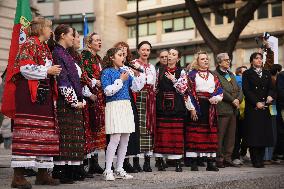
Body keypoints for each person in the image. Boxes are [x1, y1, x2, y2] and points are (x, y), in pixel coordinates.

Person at [3, 17, 62, 188]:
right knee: (28, 131)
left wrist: (50, 72)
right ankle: (18, 176)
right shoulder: (29, 44)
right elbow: (25, 68)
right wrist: (48, 70)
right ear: (40, 29)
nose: (51, 31)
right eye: (49, 28)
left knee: (45, 133)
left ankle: (43, 174)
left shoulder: (44, 47)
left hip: (43, 94)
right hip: (29, 95)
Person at [101, 48, 144, 181]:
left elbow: (136, 88)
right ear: (112, 58)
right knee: (115, 139)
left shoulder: (125, 71)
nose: (123, 58)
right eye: (120, 55)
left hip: (126, 105)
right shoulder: (106, 72)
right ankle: (108, 170)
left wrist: (137, 74)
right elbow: (107, 91)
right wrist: (120, 80)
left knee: (125, 138)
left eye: (123, 55)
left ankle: (119, 168)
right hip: (114, 106)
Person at [51, 24, 86, 183]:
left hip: (73, 100)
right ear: (63, 35)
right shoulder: (58, 53)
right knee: (65, 137)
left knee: (72, 136)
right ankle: (61, 171)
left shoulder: (65, 53)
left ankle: (70, 170)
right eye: (72, 35)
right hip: (65, 101)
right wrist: (73, 101)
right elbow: (63, 80)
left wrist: (80, 99)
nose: (74, 38)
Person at [185, 51, 223, 172]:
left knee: (210, 134)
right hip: (197, 105)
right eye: (202, 59)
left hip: (210, 106)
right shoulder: (191, 75)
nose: (205, 61)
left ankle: (211, 162)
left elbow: (219, 90)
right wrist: (192, 109)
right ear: (197, 61)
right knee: (195, 134)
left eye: (207, 59)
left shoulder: (213, 75)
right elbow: (188, 93)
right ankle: (194, 162)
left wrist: (216, 98)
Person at [114, 41, 145, 173]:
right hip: (115, 99)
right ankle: (111, 163)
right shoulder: (113, 67)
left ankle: (125, 162)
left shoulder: (132, 66)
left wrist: (137, 75)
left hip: (128, 99)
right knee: (116, 131)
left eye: (125, 49)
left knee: (128, 131)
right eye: (120, 50)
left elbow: (136, 87)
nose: (123, 51)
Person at [154, 48, 188, 172]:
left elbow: (183, 89)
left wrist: (174, 79)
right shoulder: (160, 70)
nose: (170, 56)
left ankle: (178, 161)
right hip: (162, 106)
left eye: (173, 54)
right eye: (169, 54)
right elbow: (155, 87)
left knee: (176, 134)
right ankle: (160, 160)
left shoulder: (181, 71)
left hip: (176, 107)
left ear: (178, 59)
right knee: (162, 134)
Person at [79, 32, 106, 175]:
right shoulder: (85, 55)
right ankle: (85, 163)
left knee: (96, 128)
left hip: (98, 96)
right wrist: (92, 89)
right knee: (88, 128)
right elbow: (84, 74)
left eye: (100, 40)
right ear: (89, 43)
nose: (99, 42)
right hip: (89, 96)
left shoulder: (98, 58)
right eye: (96, 40)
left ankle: (94, 163)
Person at [242, 52, 275, 168]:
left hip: (265, 107)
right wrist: (256, 102)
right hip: (253, 107)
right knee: (254, 134)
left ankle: (261, 158)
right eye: (256, 58)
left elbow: (271, 88)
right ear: (252, 61)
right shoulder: (247, 73)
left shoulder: (267, 73)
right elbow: (246, 90)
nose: (259, 60)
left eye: (261, 58)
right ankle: (255, 159)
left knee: (263, 134)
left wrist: (271, 95)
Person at [213, 53, 243, 168]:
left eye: (229, 60)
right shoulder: (215, 74)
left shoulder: (231, 74)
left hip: (233, 109)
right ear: (219, 62)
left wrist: (238, 100)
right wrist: (232, 100)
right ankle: (219, 158)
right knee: (221, 135)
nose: (228, 62)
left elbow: (239, 89)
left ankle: (227, 158)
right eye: (225, 60)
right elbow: (219, 89)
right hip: (223, 109)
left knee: (231, 136)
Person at [132, 41, 156, 172]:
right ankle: (136, 161)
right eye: (143, 49)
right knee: (138, 127)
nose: (145, 52)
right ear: (138, 50)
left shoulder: (152, 67)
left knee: (149, 126)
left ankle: (147, 161)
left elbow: (154, 84)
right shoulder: (134, 64)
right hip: (138, 96)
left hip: (150, 98)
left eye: (148, 50)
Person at [264, 64, 282, 164]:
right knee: (271, 130)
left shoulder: (273, 80)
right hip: (271, 107)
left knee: (273, 130)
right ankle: (267, 157)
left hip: (273, 108)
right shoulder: (272, 80)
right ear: (277, 71)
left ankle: (269, 156)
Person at [231, 66, 250, 165]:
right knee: (238, 135)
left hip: (244, 111)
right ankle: (237, 155)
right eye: (243, 72)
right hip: (240, 111)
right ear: (238, 73)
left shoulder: (246, 80)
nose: (246, 74)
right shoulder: (238, 80)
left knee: (242, 135)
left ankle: (240, 154)